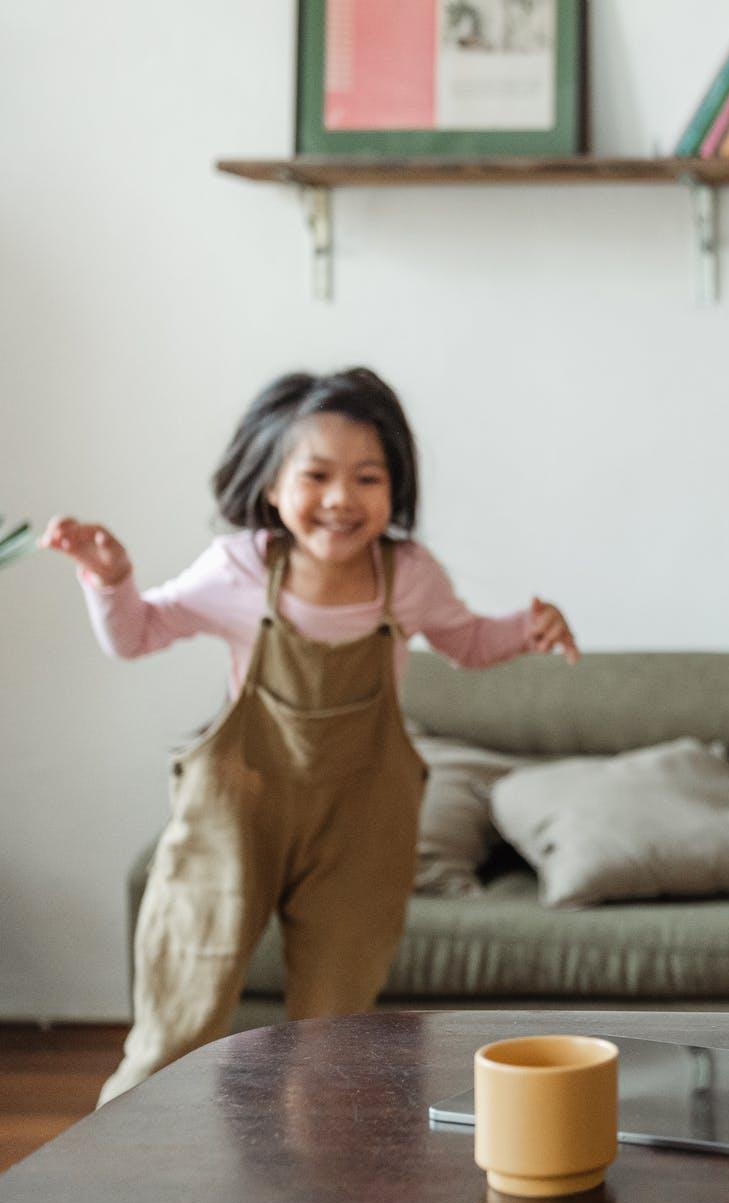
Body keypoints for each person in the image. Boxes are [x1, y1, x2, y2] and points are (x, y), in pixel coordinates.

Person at [41, 367, 579, 1103]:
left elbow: (468, 642)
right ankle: (121, 1171)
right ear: (270, 485)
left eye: (367, 477)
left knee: (332, 1039)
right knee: (177, 1019)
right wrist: (110, 581)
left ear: (395, 488)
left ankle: (316, 1202)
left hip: (359, 825)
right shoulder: (238, 568)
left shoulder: (409, 576)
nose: (340, 499)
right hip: (235, 814)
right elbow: (138, 634)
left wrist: (527, 627)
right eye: (317, 474)